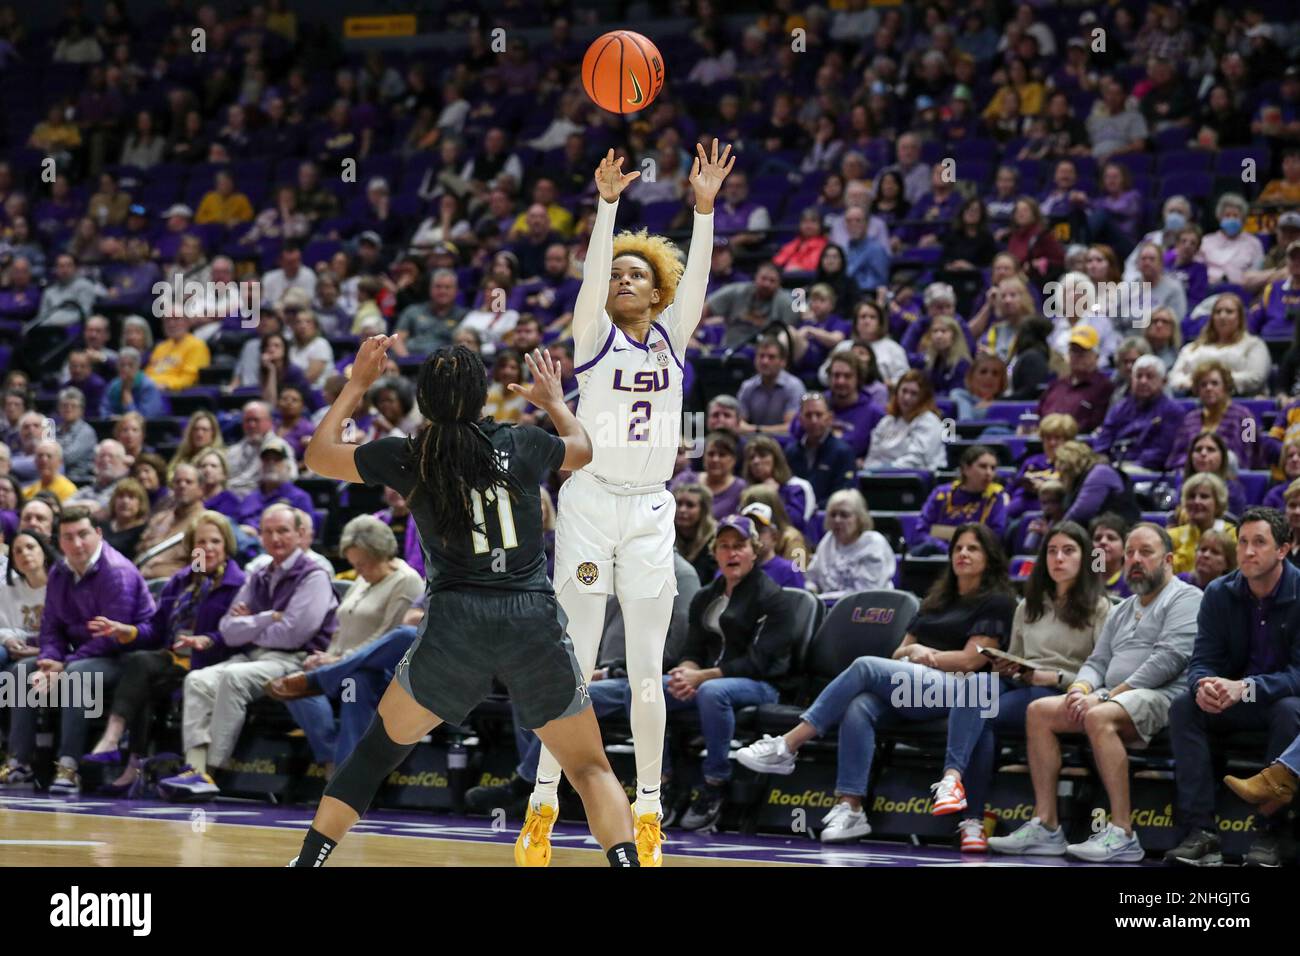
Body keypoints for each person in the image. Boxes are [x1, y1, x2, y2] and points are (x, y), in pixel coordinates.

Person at [288, 337, 640, 871]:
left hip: (456, 625)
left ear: (423, 400)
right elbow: (583, 450)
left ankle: (308, 863)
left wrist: (357, 385)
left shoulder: (410, 454)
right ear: (483, 398)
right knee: (590, 768)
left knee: (377, 751)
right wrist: (554, 402)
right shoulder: (522, 442)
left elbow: (316, 455)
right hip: (530, 620)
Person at [519, 142, 733, 868]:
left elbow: (698, 282)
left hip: (647, 511)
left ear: (657, 292)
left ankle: (648, 809)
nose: (621, 279)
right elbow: (588, 274)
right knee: (571, 662)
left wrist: (704, 210)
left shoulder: (672, 339)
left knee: (645, 668)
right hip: (587, 505)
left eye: (635, 274)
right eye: (616, 273)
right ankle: (543, 804)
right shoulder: (593, 338)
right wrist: (606, 206)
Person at [738, 524, 1017, 843]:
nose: (963, 554)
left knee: (865, 667)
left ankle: (789, 744)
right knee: (860, 706)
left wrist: (927, 656)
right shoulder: (936, 599)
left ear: (990, 557)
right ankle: (851, 807)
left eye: (973, 548)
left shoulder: (997, 602)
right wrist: (914, 652)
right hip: (915, 688)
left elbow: (971, 661)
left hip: (960, 689)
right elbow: (901, 651)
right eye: (958, 548)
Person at [987, 523, 1200, 862]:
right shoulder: (1123, 608)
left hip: (1160, 696)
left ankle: (1123, 832)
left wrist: (1102, 696)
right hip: (1111, 695)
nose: (1135, 560)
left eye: (1146, 553)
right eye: (1130, 553)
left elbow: (1168, 661)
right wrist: (1080, 688)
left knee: (1098, 715)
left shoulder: (1186, 598)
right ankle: (1046, 825)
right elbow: (1097, 660)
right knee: (1040, 711)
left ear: (1169, 560)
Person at [929, 521, 1111, 851]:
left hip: (1063, 692)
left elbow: (1102, 670)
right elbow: (1015, 657)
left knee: (980, 719)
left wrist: (1057, 678)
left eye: (1068, 551)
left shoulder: (1099, 608)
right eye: (1052, 551)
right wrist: (1006, 665)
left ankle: (968, 815)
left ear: (1085, 559)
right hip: (1021, 686)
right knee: (974, 687)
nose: (1058, 558)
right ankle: (955, 787)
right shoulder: (1028, 605)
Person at [630, 513, 796, 830]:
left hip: (763, 685)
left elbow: (758, 662)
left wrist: (701, 677)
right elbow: (692, 650)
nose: (731, 553)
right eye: (724, 546)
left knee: (711, 692)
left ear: (755, 550)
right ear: (715, 553)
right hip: (708, 680)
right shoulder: (706, 596)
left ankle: (714, 783)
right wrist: (684, 673)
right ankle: (658, 782)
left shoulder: (772, 598)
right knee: (645, 688)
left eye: (740, 546)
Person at [1165, 508, 1300, 868]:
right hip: (1231, 698)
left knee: (1290, 711)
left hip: (1277, 700)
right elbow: (1201, 660)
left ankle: (1269, 833)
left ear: (1283, 550)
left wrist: (1247, 687)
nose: (1248, 551)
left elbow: (1299, 675)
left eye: (1259, 542)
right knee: (1183, 706)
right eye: (1242, 542)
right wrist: (1203, 686)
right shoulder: (1218, 592)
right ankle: (1201, 833)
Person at [78, 512, 245, 793]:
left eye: (215, 541)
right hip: (172, 660)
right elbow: (155, 631)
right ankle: (133, 765)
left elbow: (237, 633)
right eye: (201, 542)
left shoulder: (238, 584)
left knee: (142, 665)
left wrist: (208, 640)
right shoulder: (181, 582)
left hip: (210, 662)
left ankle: (115, 743)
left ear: (226, 544)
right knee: (141, 673)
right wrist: (126, 630)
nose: (208, 548)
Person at [0, 506, 155, 792]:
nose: (77, 543)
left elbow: (109, 636)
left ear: (98, 533)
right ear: (59, 541)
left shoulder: (116, 572)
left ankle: (69, 766)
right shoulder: (60, 571)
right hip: (81, 654)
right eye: (68, 537)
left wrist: (64, 662)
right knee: (20, 670)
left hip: (125, 656)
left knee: (76, 674)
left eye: (83, 534)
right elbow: (51, 628)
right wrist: (48, 659)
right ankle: (19, 761)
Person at [274, 516, 423, 772]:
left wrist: (338, 661)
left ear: (381, 554)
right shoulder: (362, 579)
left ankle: (344, 774)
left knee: (358, 679)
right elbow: (340, 630)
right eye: (354, 564)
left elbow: (387, 637)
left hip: (384, 672)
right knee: (293, 684)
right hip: (341, 667)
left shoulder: (406, 580)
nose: (358, 570)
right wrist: (327, 656)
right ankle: (337, 761)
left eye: (362, 564)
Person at [1090, 355, 1183, 471]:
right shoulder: (1120, 407)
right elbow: (1103, 440)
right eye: (1139, 376)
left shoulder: (1173, 411)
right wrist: (1102, 460)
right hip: (1113, 466)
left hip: (1149, 469)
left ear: (1163, 382)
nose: (1143, 381)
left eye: (1150, 377)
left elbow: (1162, 452)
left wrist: (1130, 466)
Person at [1168, 294, 1270, 398]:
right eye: (1218, 312)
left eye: (1229, 312)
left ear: (1240, 317)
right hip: (1195, 399)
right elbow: (1174, 377)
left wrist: (1217, 381)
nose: (1222, 316)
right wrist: (1193, 382)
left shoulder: (1253, 345)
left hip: (1239, 399)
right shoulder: (1192, 347)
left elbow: (1255, 378)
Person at [1164, 361, 1258, 472]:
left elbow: (1250, 456)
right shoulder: (1189, 419)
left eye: (1214, 383)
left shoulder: (1246, 418)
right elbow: (1176, 457)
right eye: (1203, 385)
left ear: (1226, 387)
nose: (1208, 388)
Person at [805, 488, 896, 596]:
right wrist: (811, 589)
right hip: (832, 608)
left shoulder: (873, 543)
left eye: (844, 515)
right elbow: (812, 578)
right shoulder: (828, 541)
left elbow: (867, 592)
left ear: (860, 518)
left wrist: (828, 597)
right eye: (833, 514)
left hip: (869, 608)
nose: (837, 520)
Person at [862, 370, 946, 471]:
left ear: (923, 398)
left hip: (914, 479)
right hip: (881, 477)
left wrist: (885, 470)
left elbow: (917, 460)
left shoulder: (929, 421)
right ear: (897, 393)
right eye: (904, 391)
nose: (907, 397)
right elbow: (873, 455)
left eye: (914, 393)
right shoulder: (887, 421)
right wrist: (869, 470)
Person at [1037, 325, 1113, 434]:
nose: (1077, 356)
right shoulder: (1056, 385)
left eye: (1083, 352)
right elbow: (1038, 414)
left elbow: (1096, 424)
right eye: (1073, 351)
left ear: (1096, 357)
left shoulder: (1104, 388)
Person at [135, 463, 207, 579]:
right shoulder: (159, 519)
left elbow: (199, 569)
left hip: (173, 588)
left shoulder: (205, 524)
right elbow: (140, 552)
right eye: (178, 482)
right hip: (141, 581)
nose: (182, 485)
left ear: (201, 489)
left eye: (188, 482)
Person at [0, 529, 57, 670]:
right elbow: (3, 627)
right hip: (17, 647)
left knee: (21, 668)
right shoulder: (7, 587)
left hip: (52, 649)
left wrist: (40, 650)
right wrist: (9, 640)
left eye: (30, 547)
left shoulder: (61, 584)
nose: (25, 553)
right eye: (18, 551)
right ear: (14, 562)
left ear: (44, 551)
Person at [788, 392, 857, 506]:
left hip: (830, 515)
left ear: (829, 418)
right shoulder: (791, 452)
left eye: (818, 415)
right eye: (808, 415)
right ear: (800, 419)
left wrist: (814, 508)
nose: (814, 420)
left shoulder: (843, 452)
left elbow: (845, 491)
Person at [740, 435, 815, 537]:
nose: (756, 461)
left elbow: (796, 523)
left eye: (762, 455)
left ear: (776, 459)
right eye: (751, 457)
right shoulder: (747, 491)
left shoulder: (797, 487)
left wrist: (774, 496)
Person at [1055, 440, 1140, 527]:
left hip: (1120, 528)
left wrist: (1057, 530)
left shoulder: (1100, 473)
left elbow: (1081, 512)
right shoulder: (1082, 478)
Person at [1167, 473, 1237, 575]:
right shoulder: (1171, 536)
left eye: (1204, 496)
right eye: (1191, 496)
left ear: (1217, 503)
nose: (1196, 501)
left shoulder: (1232, 535)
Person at [738, 500, 805, 588]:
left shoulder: (789, 570)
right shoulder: (734, 569)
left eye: (759, 530)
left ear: (774, 536)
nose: (754, 535)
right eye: (748, 531)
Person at [674, 483, 717, 586]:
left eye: (690, 505)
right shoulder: (667, 535)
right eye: (679, 504)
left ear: (704, 510)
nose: (682, 510)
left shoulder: (716, 539)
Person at [700, 430, 746, 519]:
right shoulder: (686, 480)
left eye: (722, 455)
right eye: (711, 454)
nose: (715, 459)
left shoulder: (742, 489)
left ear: (733, 460)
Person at [102, 478, 150, 559]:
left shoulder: (144, 532)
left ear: (140, 503)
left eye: (131, 497)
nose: (125, 501)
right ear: (114, 501)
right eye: (121, 496)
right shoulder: (102, 525)